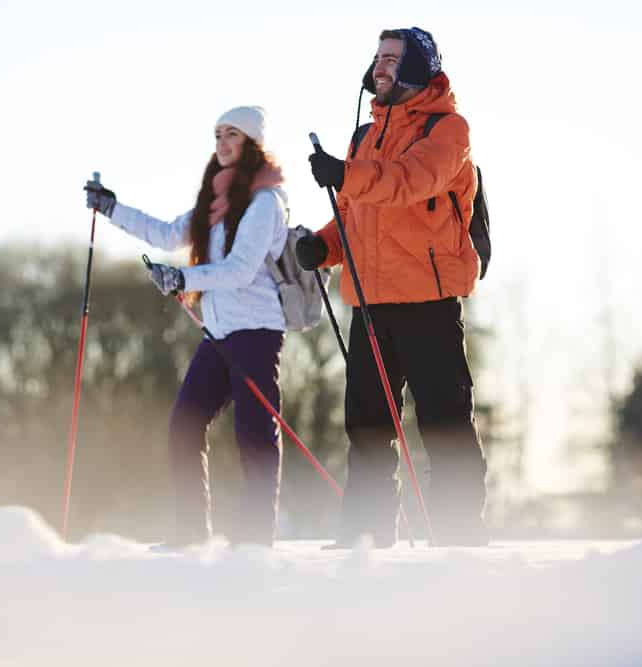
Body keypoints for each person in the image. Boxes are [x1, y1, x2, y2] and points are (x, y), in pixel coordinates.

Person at [297, 27, 488, 547]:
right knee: (366, 425)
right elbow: (357, 214)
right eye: (377, 58)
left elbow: (408, 182)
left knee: (444, 422)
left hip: (427, 298)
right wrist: (324, 246)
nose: (380, 67)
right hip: (371, 302)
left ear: (418, 67)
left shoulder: (448, 130)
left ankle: (459, 535)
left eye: (392, 58)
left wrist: (345, 173)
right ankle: (366, 533)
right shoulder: (364, 137)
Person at [85, 106, 290, 547]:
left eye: (232, 134)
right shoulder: (216, 201)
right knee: (184, 424)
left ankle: (256, 540)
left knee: (254, 433)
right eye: (217, 134)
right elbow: (165, 234)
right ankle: (191, 534)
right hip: (218, 333)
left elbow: (239, 269)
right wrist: (112, 208)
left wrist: (183, 278)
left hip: (255, 331)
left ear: (253, 142)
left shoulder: (264, 202)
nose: (222, 142)